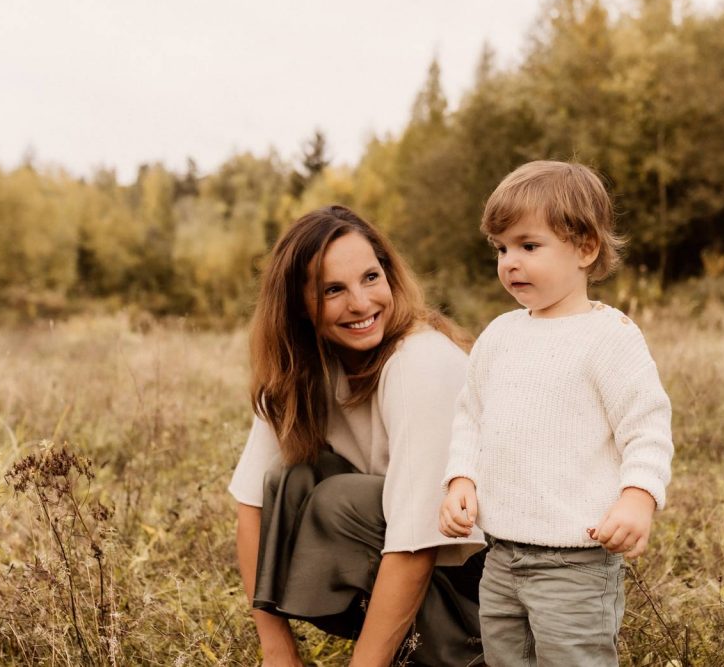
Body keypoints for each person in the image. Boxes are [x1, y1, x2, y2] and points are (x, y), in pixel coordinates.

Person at [438, 161, 674, 666]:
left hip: (576, 561)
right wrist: (461, 478)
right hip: (502, 555)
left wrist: (637, 497)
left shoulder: (609, 338)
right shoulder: (499, 336)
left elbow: (647, 426)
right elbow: (470, 417)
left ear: (585, 248)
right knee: (505, 659)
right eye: (501, 248)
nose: (510, 262)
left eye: (528, 245)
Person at [230, 206, 486, 667]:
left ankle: (459, 654)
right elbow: (252, 507)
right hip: (411, 556)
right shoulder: (302, 369)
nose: (361, 303)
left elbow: (417, 542)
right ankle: (404, 645)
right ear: (298, 307)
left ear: (389, 275)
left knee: (340, 502)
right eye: (333, 290)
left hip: (489, 587)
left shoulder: (420, 363)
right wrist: (278, 651)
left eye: (371, 277)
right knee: (291, 478)